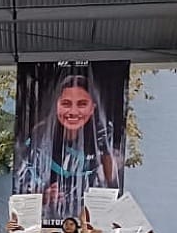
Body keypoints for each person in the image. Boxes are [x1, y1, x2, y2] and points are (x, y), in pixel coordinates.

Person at [15, 74, 117, 224]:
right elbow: (22, 189)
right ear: (56, 105)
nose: (73, 112)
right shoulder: (39, 137)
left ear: (93, 108)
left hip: (87, 223)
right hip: (48, 221)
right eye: (66, 104)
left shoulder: (101, 138)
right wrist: (43, 196)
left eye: (82, 104)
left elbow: (111, 184)